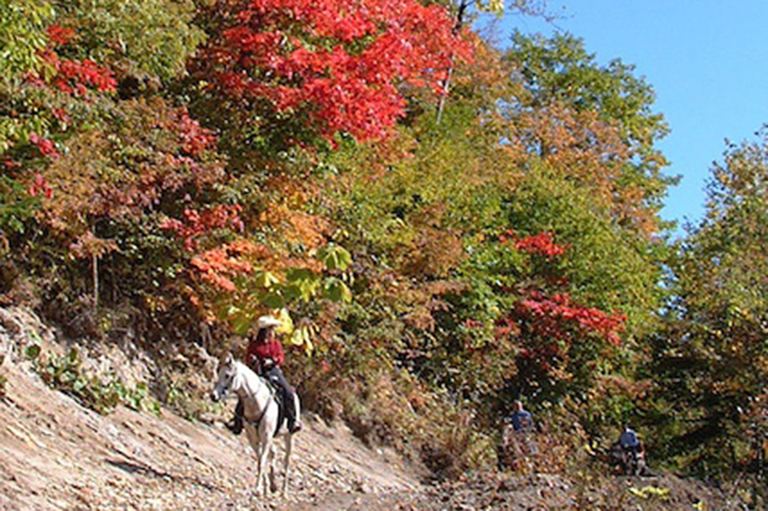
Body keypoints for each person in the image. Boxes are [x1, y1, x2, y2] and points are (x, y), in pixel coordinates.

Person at [227, 315, 302, 435]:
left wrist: (273, 361)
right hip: (257, 371)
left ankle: (292, 421)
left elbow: (281, 358)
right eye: (270, 329)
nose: (272, 332)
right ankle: (237, 421)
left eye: (272, 329)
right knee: (245, 394)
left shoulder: (276, 344)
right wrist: (254, 360)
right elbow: (248, 358)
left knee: (288, 391)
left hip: (273, 371)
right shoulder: (255, 344)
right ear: (264, 331)